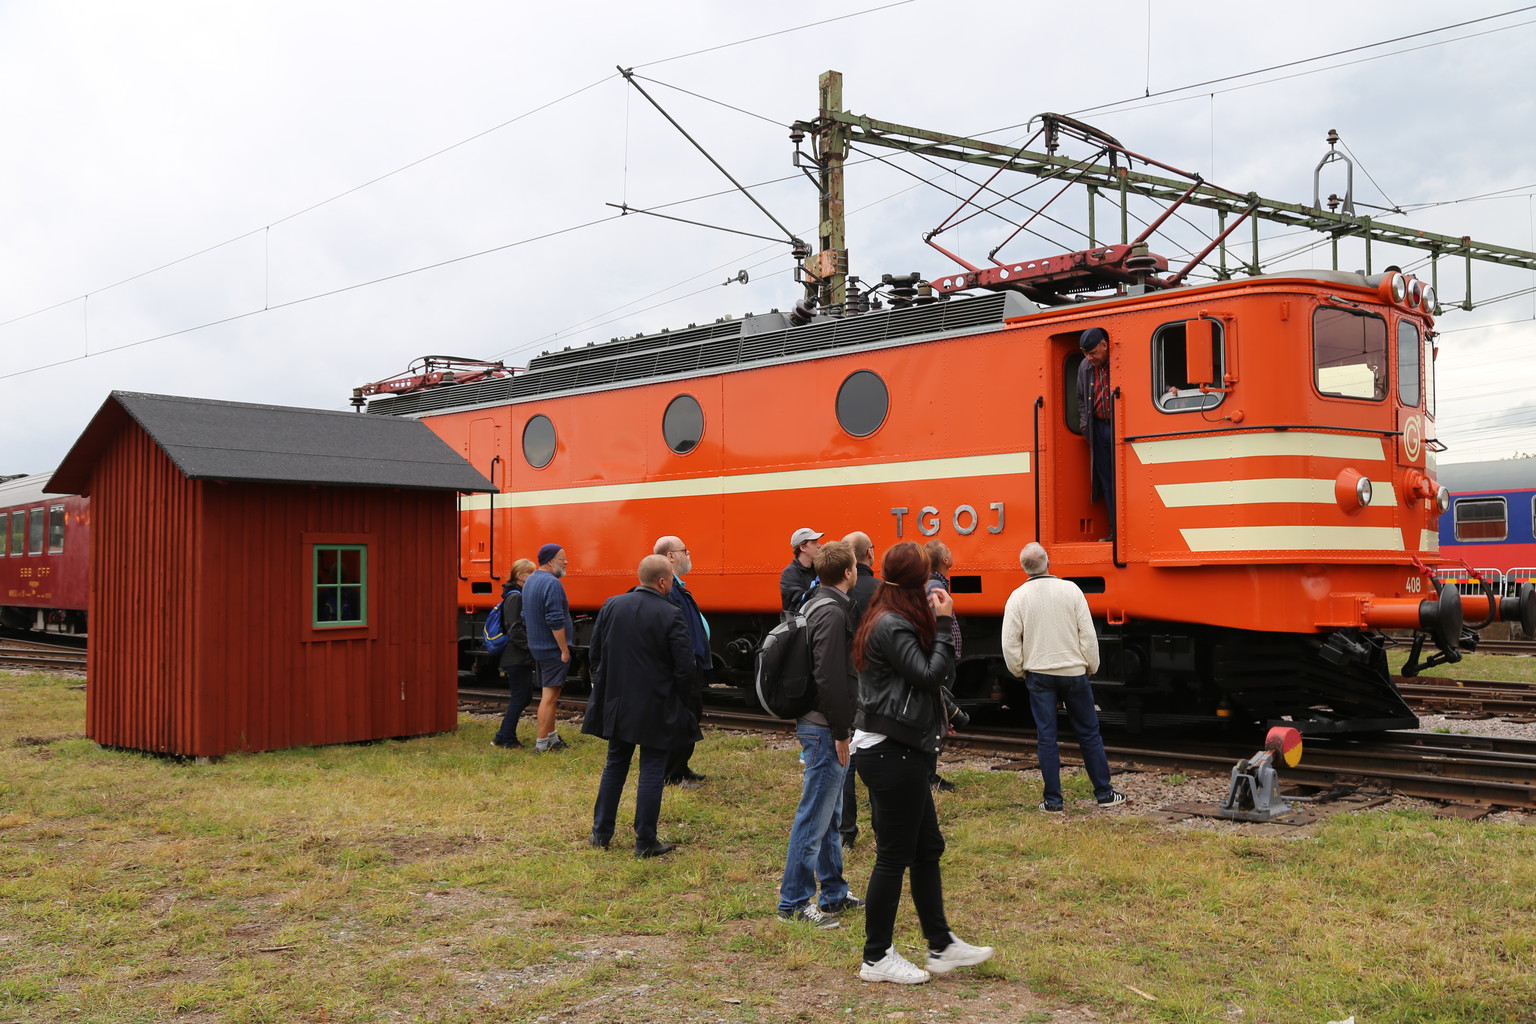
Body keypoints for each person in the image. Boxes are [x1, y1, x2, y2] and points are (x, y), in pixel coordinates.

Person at [850, 541, 994, 985]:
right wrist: (945, 621)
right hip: (890, 750)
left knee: (927, 848)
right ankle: (876, 957)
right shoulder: (891, 623)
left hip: (901, 747)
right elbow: (931, 675)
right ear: (916, 581)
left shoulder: (891, 615)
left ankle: (941, 944)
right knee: (893, 856)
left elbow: (918, 680)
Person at [582, 554, 702, 858]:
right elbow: (685, 667)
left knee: (615, 765)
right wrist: (681, 699)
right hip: (656, 704)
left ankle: (601, 834)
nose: (672, 584)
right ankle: (645, 841)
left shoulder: (612, 605)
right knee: (651, 769)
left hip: (618, 702)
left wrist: (606, 688)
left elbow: (595, 654)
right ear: (662, 582)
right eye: (671, 579)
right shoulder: (671, 612)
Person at [1000, 542, 1126, 811]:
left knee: (1047, 737)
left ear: (1023, 568)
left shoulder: (1017, 597)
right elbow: (1087, 635)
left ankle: (1053, 801)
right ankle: (1104, 794)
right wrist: (1091, 665)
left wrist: (1020, 670)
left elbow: (1009, 643)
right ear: (1048, 562)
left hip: (1039, 674)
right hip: (1074, 672)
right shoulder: (1071, 590)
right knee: (1089, 733)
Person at [776, 541, 863, 929]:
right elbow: (829, 676)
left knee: (829, 816)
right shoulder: (830, 610)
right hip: (824, 727)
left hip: (822, 724)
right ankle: (793, 902)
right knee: (814, 815)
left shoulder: (820, 602)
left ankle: (834, 893)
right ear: (848, 572)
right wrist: (842, 731)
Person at [656, 535, 709, 786]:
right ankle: (672, 773)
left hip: (691, 663)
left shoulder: (677, 587)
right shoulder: (670, 590)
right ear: (671, 556)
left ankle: (682, 767)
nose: (689, 555)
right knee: (681, 717)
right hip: (684, 665)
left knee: (690, 716)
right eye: (685, 551)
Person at [839, 530, 880, 846]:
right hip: (877, 684)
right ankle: (882, 829)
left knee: (845, 759)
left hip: (844, 681)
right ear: (870, 553)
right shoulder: (882, 591)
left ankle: (846, 831)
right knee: (879, 754)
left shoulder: (835, 594)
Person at [522, 543, 574, 752]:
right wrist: (564, 649)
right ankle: (542, 744)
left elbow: (525, 616)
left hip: (538, 647)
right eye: (562, 558)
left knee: (549, 694)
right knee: (550, 698)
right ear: (551, 561)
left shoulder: (531, 580)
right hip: (552, 649)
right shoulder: (552, 583)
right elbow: (555, 620)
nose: (566, 562)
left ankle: (552, 738)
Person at [923, 540, 961, 793]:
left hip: (941, 659)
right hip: (940, 660)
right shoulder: (935, 587)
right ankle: (928, 774)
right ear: (944, 560)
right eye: (948, 551)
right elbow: (937, 627)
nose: (951, 552)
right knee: (934, 716)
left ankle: (928, 772)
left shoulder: (935, 584)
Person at [491, 557, 537, 749]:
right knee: (520, 698)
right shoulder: (515, 597)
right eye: (531, 573)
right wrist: (531, 646)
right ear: (520, 575)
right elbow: (514, 628)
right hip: (516, 656)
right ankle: (506, 739)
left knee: (524, 697)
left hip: (518, 656)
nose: (534, 576)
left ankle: (503, 736)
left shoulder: (516, 595)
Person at [1075, 326, 1115, 541]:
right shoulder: (1085, 366)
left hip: (1121, 426)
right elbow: (1081, 398)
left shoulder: (1119, 359)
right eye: (1085, 354)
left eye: (1092, 353)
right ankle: (1114, 532)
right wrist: (1085, 426)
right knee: (1107, 482)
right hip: (1099, 427)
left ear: (1104, 345)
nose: (1089, 358)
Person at [780, 527, 823, 615]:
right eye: (814, 542)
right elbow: (801, 602)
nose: (819, 546)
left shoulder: (818, 568)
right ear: (803, 547)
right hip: (798, 622)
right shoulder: (789, 574)